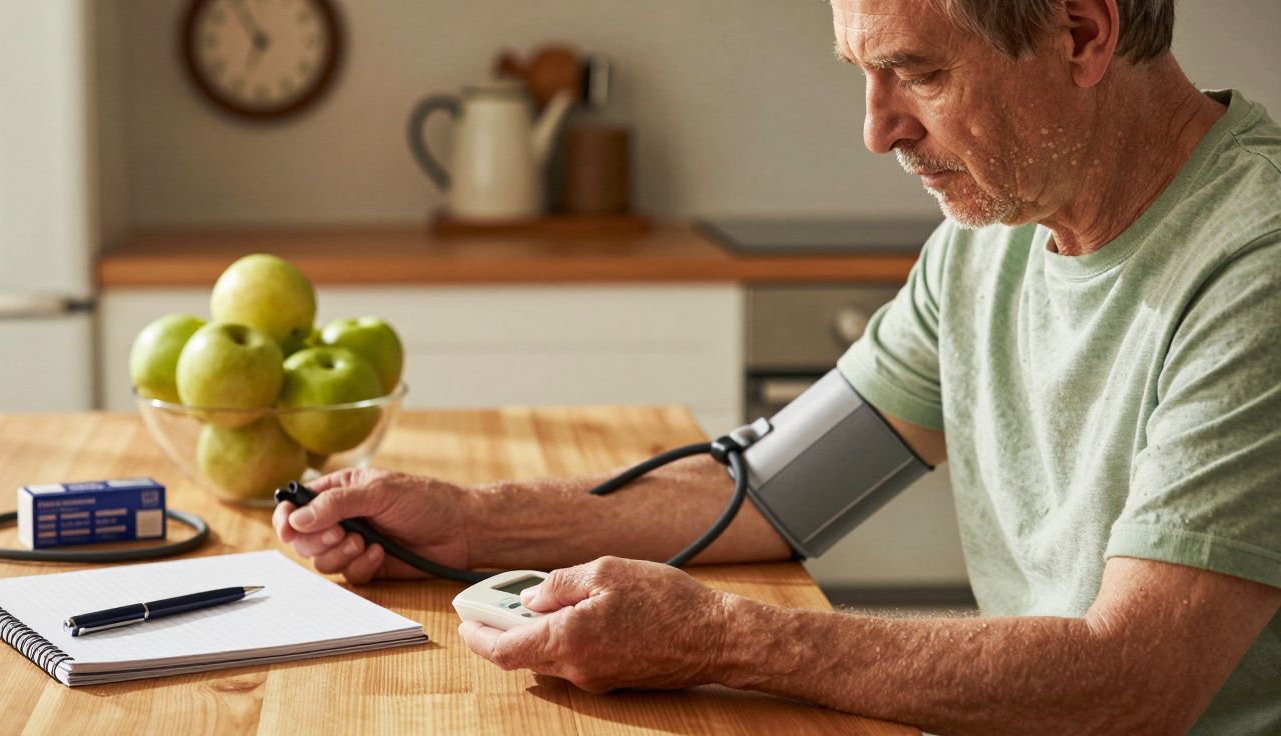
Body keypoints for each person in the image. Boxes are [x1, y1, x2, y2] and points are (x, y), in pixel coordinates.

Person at [273, 0, 1281, 732]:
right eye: (863, 73)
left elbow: (1132, 684)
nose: (877, 130)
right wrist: (469, 523)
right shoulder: (990, 242)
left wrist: (723, 637)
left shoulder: (1257, 263)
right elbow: (762, 490)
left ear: (1082, 32)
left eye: (919, 72)